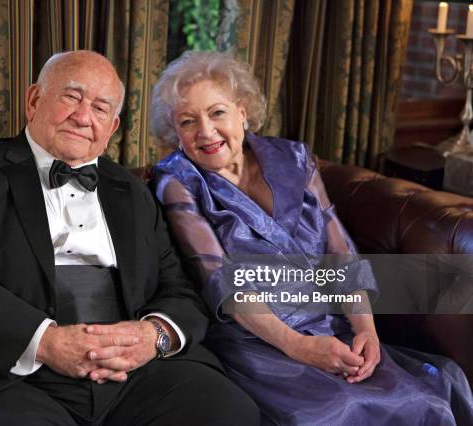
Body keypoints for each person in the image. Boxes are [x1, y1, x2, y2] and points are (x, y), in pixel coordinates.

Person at [0, 50, 260, 426]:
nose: (83, 116)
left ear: (112, 126)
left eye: (100, 108)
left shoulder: (135, 191)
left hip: (129, 373)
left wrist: (151, 336)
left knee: (229, 410)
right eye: (71, 97)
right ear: (34, 100)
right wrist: (45, 342)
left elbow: (180, 289)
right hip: (9, 374)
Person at [151, 50, 473, 425]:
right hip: (260, 339)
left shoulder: (296, 157)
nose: (205, 131)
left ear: (242, 111)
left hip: (331, 322)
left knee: (427, 399)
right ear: (176, 133)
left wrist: (365, 329)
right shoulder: (177, 181)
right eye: (188, 122)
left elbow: (339, 253)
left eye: (217, 112)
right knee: (336, 412)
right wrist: (300, 347)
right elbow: (223, 285)